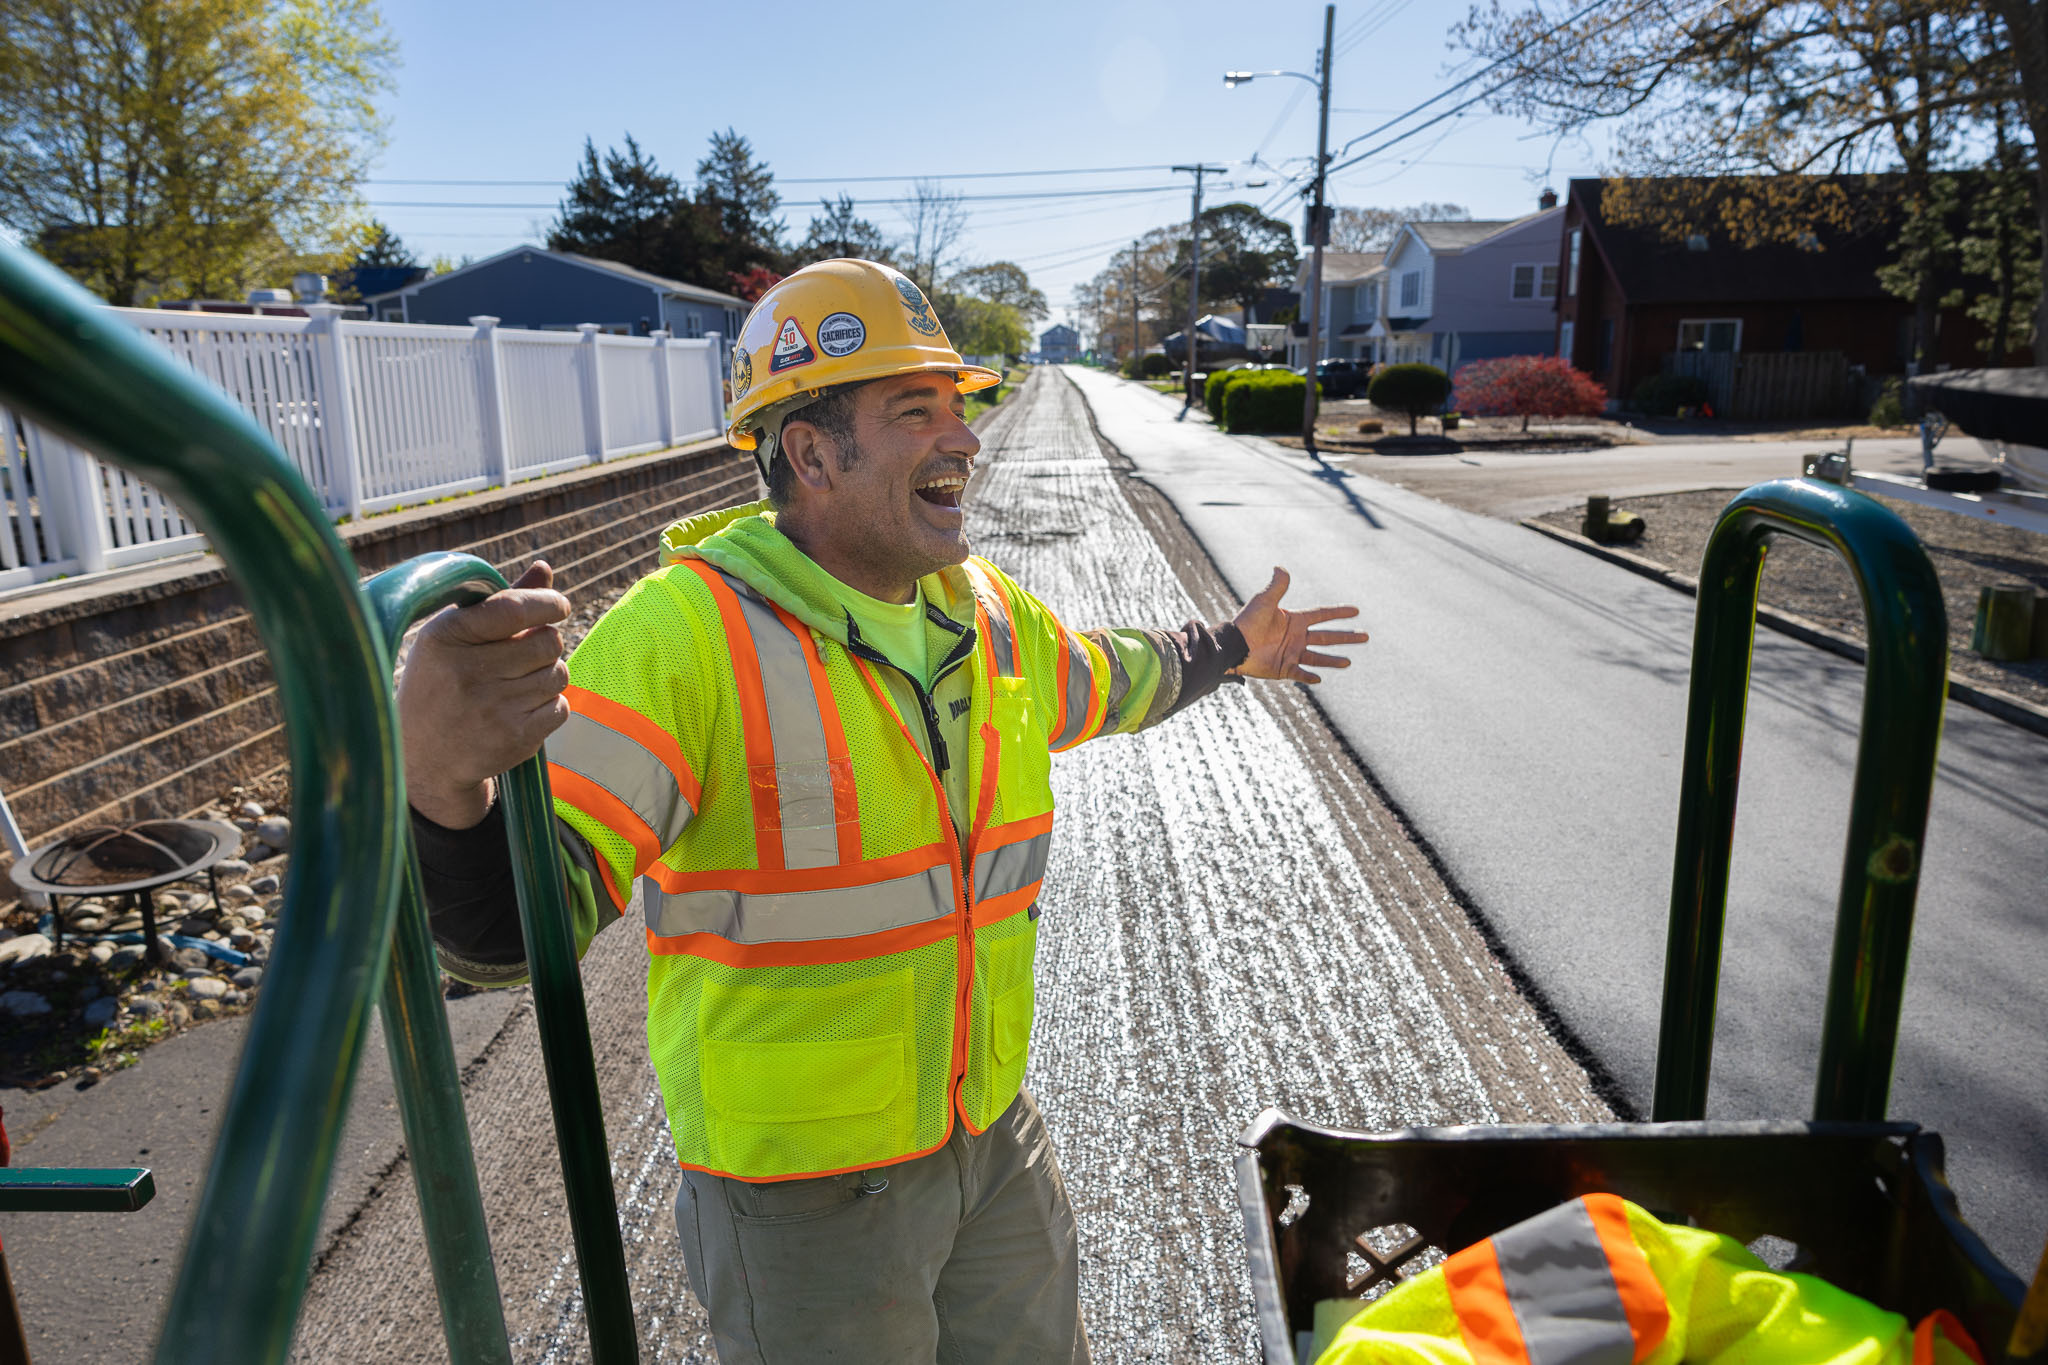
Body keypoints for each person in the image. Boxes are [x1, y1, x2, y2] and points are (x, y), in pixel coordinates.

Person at [398, 258, 1369, 1363]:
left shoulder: (984, 612)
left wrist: (1231, 648)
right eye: (918, 413)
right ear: (810, 452)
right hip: (805, 1203)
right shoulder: (683, 637)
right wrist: (440, 778)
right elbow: (504, 936)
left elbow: (1107, 679)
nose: (962, 440)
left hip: (987, 1138)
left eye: (959, 410)